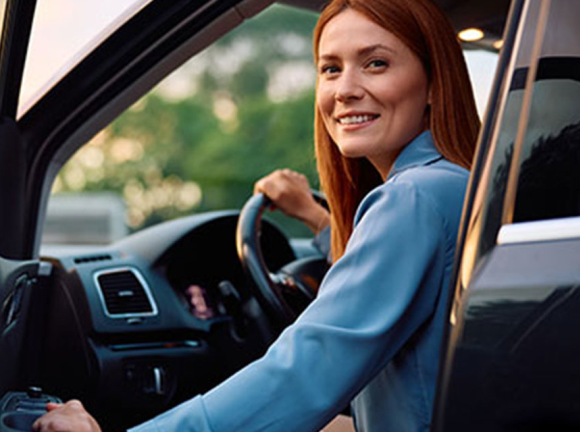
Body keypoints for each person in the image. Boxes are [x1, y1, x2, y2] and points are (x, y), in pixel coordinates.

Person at [33, 0, 479, 430]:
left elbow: (304, 373)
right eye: (330, 68)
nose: (344, 89)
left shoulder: (412, 199)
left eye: (376, 64)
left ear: (435, 84)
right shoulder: (454, 186)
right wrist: (317, 219)